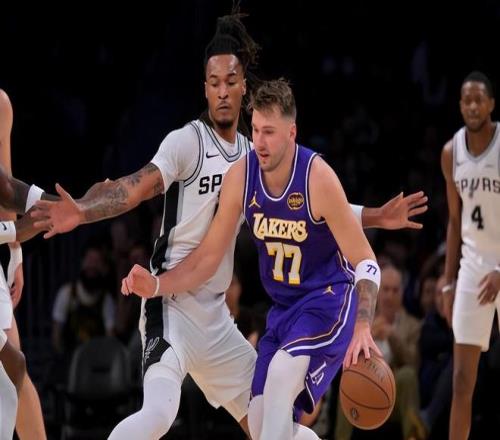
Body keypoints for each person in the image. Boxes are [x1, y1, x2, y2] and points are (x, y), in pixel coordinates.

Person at [33, 16, 427, 439]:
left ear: (244, 90)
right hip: (171, 302)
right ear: (204, 89)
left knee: (270, 423)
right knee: (161, 414)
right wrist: (83, 211)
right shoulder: (189, 142)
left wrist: (375, 216)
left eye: (230, 81)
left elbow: (317, 205)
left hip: (218, 315)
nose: (222, 90)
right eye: (213, 82)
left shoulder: (253, 156)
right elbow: (134, 188)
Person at [118, 78, 383, 440]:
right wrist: (157, 284)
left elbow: (366, 261)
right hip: (284, 311)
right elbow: (208, 257)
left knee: (280, 380)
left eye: (269, 132)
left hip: (327, 302)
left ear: (292, 132)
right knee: (260, 422)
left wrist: (364, 325)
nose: (259, 141)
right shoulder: (242, 176)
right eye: (255, 129)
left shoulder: (317, 178)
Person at [441, 70, 500, 440]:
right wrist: (448, 282)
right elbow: (454, 219)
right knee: (461, 379)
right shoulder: (451, 153)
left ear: (491, 104)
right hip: (473, 267)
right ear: (460, 106)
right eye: (467, 100)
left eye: (479, 99)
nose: (473, 106)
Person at [0, 89, 48, 439]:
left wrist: (15, 250)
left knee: (14, 365)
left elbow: (4, 183)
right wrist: (14, 232)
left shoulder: (0, 104)